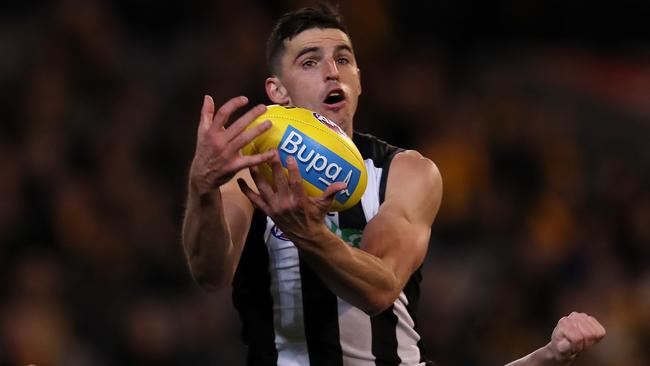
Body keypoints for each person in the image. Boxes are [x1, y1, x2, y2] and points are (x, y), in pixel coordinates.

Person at [182, 5, 605, 366]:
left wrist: (309, 235)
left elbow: (380, 288)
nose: (332, 72)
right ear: (278, 90)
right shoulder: (249, 169)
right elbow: (210, 272)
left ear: (360, 80)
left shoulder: (407, 172)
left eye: (343, 59)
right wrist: (201, 188)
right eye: (309, 62)